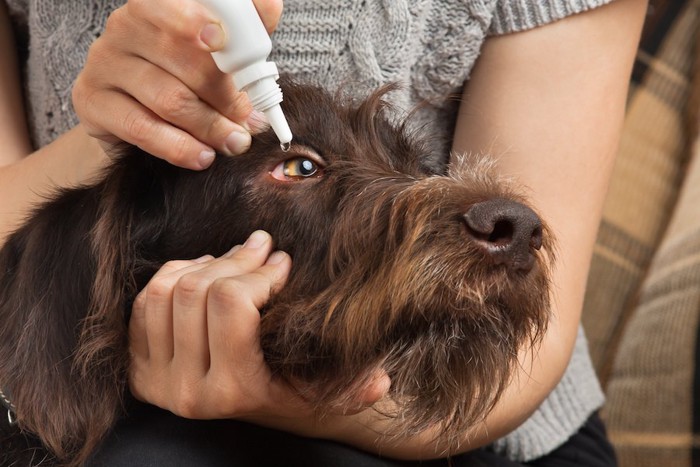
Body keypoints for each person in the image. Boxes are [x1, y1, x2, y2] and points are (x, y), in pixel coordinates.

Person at [0, 0, 647, 465]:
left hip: (475, 432)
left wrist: (288, 397)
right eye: (301, 166)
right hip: (73, 376)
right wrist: (117, 131)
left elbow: (522, 361)